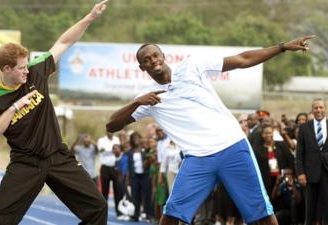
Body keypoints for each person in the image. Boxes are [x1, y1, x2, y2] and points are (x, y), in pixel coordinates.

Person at [106, 35, 315, 225]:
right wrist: (136, 103)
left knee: (262, 214)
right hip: (197, 159)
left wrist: (282, 47)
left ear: (163, 56)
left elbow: (243, 60)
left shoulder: (191, 66)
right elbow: (112, 125)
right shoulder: (146, 98)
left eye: (155, 55)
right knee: (171, 215)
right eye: (146, 60)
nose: (152, 60)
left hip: (232, 147)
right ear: (142, 67)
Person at [0, 1, 109, 224]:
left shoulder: (35, 72)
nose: (26, 71)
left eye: (27, 65)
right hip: (25, 162)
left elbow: (64, 42)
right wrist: (14, 107)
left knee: (97, 208)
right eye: (21, 68)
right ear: (6, 69)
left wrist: (90, 17)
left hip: (58, 156)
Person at [295, 98, 328, 225]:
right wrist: (300, 173)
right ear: (312, 109)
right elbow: (299, 153)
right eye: (316, 108)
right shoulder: (304, 128)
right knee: (310, 210)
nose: (319, 110)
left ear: (325, 109)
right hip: (310, 174)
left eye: (321, 107)